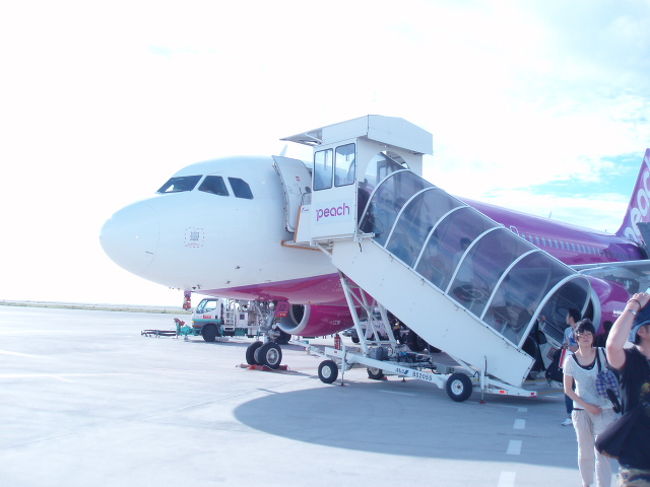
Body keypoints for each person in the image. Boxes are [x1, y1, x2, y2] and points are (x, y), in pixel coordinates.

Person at [563, 319, 618, 487]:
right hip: (581, 411)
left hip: (605, 409)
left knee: (602, 453)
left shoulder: (602, 353)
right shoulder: (570, 361)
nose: (586, 337)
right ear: (576, 338)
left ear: (593, 336)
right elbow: (568, 390)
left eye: (589, 334)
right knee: (585, 452)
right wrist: (588, 407)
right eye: (582, 335)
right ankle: (586, 484)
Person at [604, 292, 650, 486]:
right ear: (642, 331)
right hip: (637, 466)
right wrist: (633, 306)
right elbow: (613, 347)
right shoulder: (632, 361)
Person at [562, 308, 582, 426]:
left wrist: (569, 346)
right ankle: (570, 414)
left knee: (578, 388)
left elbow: (577, 348)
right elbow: (567, 345)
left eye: (567, 316)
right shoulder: (567, 330)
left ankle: (577, 414)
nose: (566, 318)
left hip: (579, 362)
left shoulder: (581, 329)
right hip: (569, 361)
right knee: (568, 388)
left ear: (571, 318)